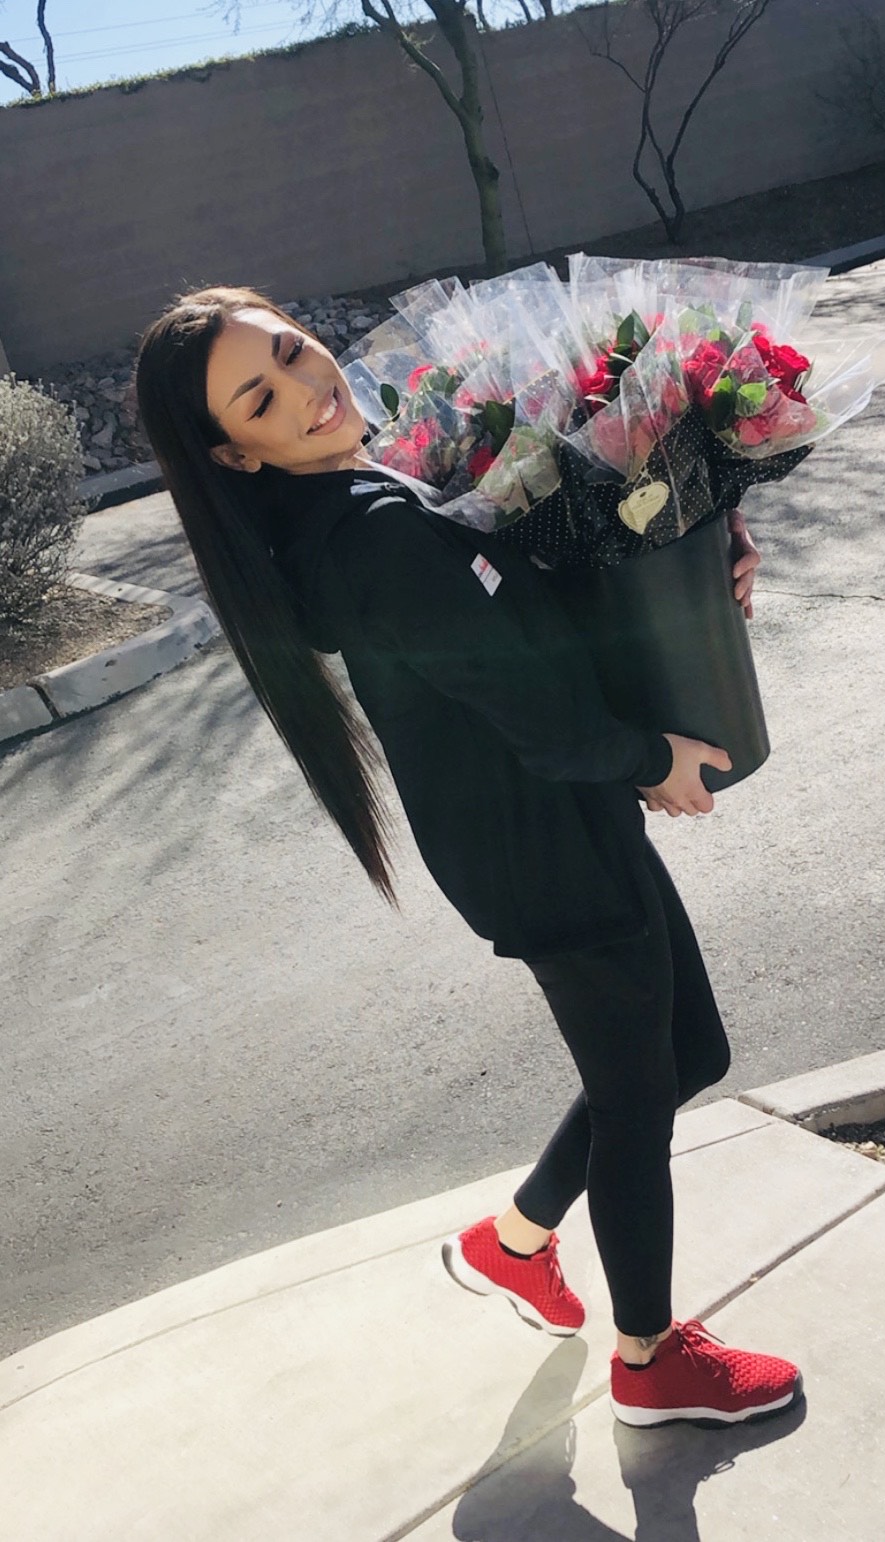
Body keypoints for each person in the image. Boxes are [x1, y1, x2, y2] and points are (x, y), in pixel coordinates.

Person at [134, 284, 803, 1428]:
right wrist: (649, 755)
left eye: (293, 352)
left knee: (685, 1054)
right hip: (537, 838)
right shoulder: (365, 540)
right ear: (232, 454)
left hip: (548, 823)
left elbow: (523, 607)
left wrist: (701, 538)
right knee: (643, 1092)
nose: (305, 387)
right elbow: (527, 705)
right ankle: (648, 1360)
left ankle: (514, 1245)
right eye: (261, 394)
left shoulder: (359, 488)